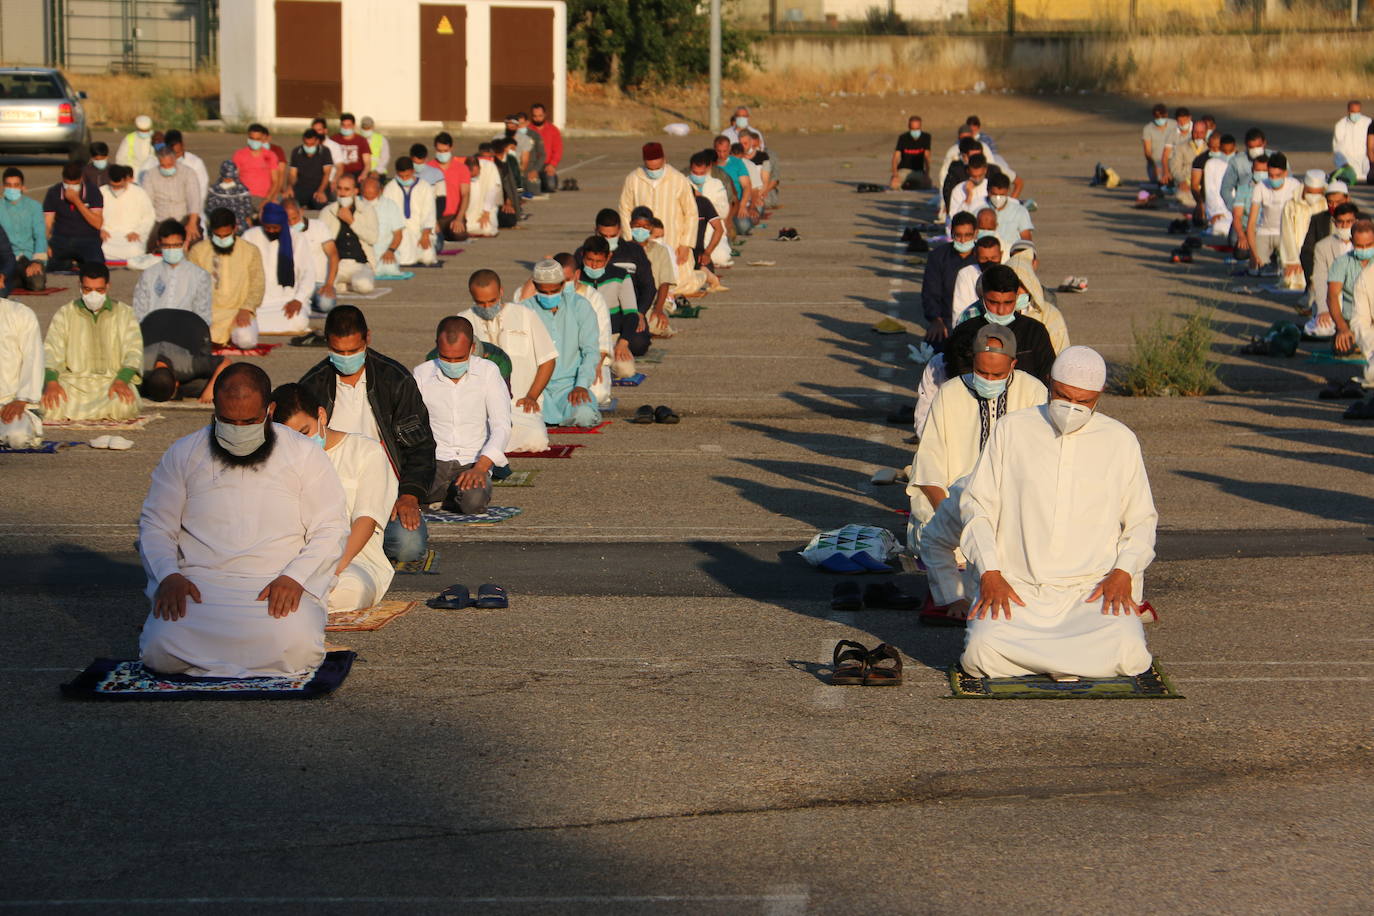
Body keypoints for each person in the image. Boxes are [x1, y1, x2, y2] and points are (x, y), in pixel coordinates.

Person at [137, 362, 349, 678]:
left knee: (296, 646)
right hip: (201, 585)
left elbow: (331, 526)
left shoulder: (303, 453)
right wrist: (168, 576)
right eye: (227, 421)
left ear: (269, 409)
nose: (237, 429)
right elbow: (156, 525)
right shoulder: (183, 453)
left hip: (278, 583)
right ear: (214, 409)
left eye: (248, 421)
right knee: (160, 648)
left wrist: (296, 577)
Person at [958, 346, 1157, 680]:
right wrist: (990, 573)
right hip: (1019, 589)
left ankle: (1042, 661)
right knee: (980, 653)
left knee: (1131, 653)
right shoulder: (1012, 429)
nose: (1071, 408)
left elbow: (1142, 520)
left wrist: (1123, 573)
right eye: (1063, 397)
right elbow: (977, 507)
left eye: (1083, 401)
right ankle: (1070, 662)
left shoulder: (1120, 441)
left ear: (1099, 396)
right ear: (1049, 384)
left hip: (1090, 591)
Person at [297, 306, 435, 563]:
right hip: (329, 493)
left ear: (367, 339)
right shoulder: (311, 385)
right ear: (327, 343)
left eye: (353, 351)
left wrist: (409, 495)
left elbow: (421, 447)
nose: (346, 358)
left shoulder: (395, 379)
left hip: (385, 491)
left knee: (408, 547)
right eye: (339, 352)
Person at [271, 382, 396, 615]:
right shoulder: (278, 457)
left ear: (321, 415)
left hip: (352, 561)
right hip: (291, 558)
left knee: (348, 591)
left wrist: (332, 570)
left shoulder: (366, 452)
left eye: (304, 432)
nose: (299, 443)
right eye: (289, 438)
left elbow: (366, 521)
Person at [909, 324, 1047, 533]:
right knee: (938, 537)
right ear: (973, 361)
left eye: (997, 374)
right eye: (982, 373)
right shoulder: (950, 393)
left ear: (1013, 365)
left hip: (1015, 506)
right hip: (954, 504)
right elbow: (929, 467)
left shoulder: (1033, 392)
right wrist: (948, 517)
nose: (989, 380)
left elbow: (1042, 464)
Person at [411, 315, 512, 515]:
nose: (452, 364)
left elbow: (501, 425)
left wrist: (481, 467)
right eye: (446, 357)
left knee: (473, 503)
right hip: (434, 460)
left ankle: (447, 496)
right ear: (436, 347)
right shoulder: (422, 374)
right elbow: (412, 424)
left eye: (459, 358)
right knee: (404, 493)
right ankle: (445, 495)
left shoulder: (489, 372)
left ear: (472, 348)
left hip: (473, 461)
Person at [458, 270, 557, 454]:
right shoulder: (463, 321)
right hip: (480, 407)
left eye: (492, 301)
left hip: (520, 403)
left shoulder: (526, 315)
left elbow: (548, 359)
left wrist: (532, 396)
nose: (487, 307)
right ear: (472, 296)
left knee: (536, 439)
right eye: (481, 303)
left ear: (501, 292)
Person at [41, 262, 142, 422]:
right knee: (50, 407)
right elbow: (51, 350)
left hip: (112, 381)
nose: (93, 294)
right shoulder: (65, 313)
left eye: (99, 290)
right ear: (80, 286)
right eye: (88, 289)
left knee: (123, 405)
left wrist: (122, 380)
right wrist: (52, 383)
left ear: (107, 287)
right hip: (74, 383)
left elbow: (134, 352)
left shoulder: (124, 313)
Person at [943, 264, 1056, 384]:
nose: (1001, 310)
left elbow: (1047, 377)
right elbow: (956, 380)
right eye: (993, 302)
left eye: (1008, 302)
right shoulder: (964, 332)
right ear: (982, 296)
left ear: (1017, 296)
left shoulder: (1034, 332)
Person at [520, 260, 601, 428]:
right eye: (544, 291)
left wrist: (581, 385)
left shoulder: (580, 306)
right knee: (518, 416)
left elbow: (591, 351)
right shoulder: (524, 310)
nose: (549, 296)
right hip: (535, 388)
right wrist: (530, 394)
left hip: (570, 387)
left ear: (563, 284)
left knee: (584, 416)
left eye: (554, 291)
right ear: (535, 285)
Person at [619, 142, 696, 290]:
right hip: (642, 241)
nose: (654, 171)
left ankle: (703, 274)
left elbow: (691, 213)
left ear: (664, 160)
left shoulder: (678, 179)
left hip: (673, 241)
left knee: (681, 285)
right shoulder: (634, 179)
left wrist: (686, 244)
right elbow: (624, 209)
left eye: (657, 168)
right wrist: (630, 240)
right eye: (650, 168)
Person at [189, 208, 264, 349]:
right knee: (194, 342)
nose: (222, 240)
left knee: (246, 340)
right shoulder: (198, 251)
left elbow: (257, 284)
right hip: (209, 313)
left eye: (226, 235)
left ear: (235, 228)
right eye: (218, 236)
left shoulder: (250, 251)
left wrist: (247, 309)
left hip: (239, 312)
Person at [577, 235, 648, 379]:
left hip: (612, 337)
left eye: (599, 261)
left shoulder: (621, 276)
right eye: (590, 260)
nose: (594, 266)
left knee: (625, 371)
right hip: (581, 338)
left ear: (608, 257)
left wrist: (623, 343)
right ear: (582, 256)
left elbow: (631, 314)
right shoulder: (575, 277)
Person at [243, 202, 315, 336]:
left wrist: (298, 299)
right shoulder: (250, 236)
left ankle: (257, 325)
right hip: (258, 302)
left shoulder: (297, 238)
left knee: (299, 321)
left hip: (287, 300)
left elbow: (308, 273)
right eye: (267, 227)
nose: (271, 231)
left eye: (275, 228)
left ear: (282, 224)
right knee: (240, 321)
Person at [139, 306, 230, 404]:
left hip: (193, 322)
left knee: (205, 385)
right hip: (154, 318)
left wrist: (210, 391)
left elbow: (225, 362)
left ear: (177, 382)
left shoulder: (187, 364)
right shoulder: (139, 363)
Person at [132, 220, 212, 324]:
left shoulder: (199, 275)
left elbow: (203, 314)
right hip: (155, 331)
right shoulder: (149, 274)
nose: (171, 249)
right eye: (167, 246)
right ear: (159, 244)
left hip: (185, 333)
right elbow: (139, 311)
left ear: (184, 243)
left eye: (176, 245)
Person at [921, 211, 978, 348]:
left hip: (978, 318)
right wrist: (936, 320)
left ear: (976, 233)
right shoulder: (938, 256)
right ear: (951, 233)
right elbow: (930, 292)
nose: (963, 240)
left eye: (968, 235)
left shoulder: (982, 256)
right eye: (958, 235)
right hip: (947, 319)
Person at [1306, 201, 1358, 337]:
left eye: (1349, 222)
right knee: (1322, 329)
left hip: (1361, 300)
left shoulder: (1365, 244)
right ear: (1334, 223)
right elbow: (1320, 278)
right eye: (1341, 222)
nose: (1345, 226)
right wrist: (1323, 309)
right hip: (1335, 299)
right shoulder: (1322, 246)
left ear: (1356, 221)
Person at [1329, 219, 1374, 374]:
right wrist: (1342, 328)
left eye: (1368, 245)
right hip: (1352, 321)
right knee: (1344, 346)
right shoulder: (1342, 263)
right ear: (1352, 243)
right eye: (1359, 246)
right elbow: (1332, 296)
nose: (1364, 250)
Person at [320, 173, 377, 294]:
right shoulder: (327, 211)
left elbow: (373, 238)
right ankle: (344, 284)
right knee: (322, 285)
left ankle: (348, 284)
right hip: (336, 264)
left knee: (364, 287)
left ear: (355, 191)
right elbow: (321, 240)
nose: (342, 193)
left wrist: (351, 221)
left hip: (360, 264)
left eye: (346, 189)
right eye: (339, 188)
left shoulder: (367, 210)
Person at [0, 295, 44, 448]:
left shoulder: (20, 314)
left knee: (17, 437)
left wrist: (21, 399)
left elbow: (33, 358)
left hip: (10, 402)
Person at [1246, 152, 1301, 274]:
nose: (1274, 179)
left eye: (1278, 175)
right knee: (1256, 271)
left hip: (1286, 234)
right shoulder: (1260, 186)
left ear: (1285, 173)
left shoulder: (1295, 186)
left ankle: (1278, 260)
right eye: (1270, 175)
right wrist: (1254, 254)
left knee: (1288, 272)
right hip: (1264, 232)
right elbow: (1251, 223)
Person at [43, 161, 104, 271]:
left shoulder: (93, 191)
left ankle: (81, 262)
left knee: (97, 267)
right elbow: (47, 223)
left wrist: (76, 201)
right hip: (61, 239)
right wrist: (44, 243)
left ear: (81, 179)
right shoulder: (54, 192)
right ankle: (68, 264)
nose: (70, 187)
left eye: (74, 184)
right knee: (44, 264)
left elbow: (97, 223)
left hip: (88, 239)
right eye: (67, 184)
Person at [283, 198, 337, 315]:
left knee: (326, 305)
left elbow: (333, 255)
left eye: (294, 218)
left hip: (318, 283)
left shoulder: (319, 226)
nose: (292, 223)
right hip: (294, 284)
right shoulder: (280, 232)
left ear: (301, 212)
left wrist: (329, 284)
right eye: (287, 220)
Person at [1278, 170, 1331, 289]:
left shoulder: (1327, 204)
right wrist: (1292, 260)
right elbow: (1287, 234)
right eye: (1310, 192)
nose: (1313, 196)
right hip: (1296, 253)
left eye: (1318, 193)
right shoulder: (1291, 205)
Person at [139, 146, 201, 245]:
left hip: (183, 218)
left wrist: (192, 223)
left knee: (195, 240)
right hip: (160, 219)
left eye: (169, 165)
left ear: (175, 160)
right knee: (149, 243)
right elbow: (147, 202)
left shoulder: (188, 173)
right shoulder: (150, 175)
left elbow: (194, 200)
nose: (167, 168)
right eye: (163, 165)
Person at [383, 157, 439, 263]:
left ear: (413, 171)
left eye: (407, 176)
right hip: (399, 233)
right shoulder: (390, 188)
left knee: (428, 258)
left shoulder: (424, 186)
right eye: (401, 176)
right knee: (405, 259)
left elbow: (429, 213)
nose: (404, 179)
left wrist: (425, 234)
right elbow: (387, 214)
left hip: (421, 232)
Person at [0, 167, 47, 293]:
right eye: (9, 185)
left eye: (16, 185)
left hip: (29, 258)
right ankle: (16, 278)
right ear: (3, 187)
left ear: (22, 187)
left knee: (37, 284)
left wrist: (37, 261)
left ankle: (18, 279)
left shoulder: (34, 206)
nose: (12, 188)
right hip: (6, 259)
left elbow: (40, 235)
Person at [98, 165, 157, 262]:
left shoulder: (139, 193)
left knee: (134, 251)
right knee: (100, 249)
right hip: (108, 236)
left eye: (119, 186)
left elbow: (149, 217)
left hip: (131, 236)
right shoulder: (102, 191)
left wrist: (138, 232)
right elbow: (94, 215)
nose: (116, 189)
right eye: (114, 186)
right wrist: (101, 230)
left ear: (126, 180)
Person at [360, 175, 405, 278]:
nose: (369, 199)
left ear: (380, 191)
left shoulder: (391, 206)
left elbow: (398, 234)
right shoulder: (356, 204)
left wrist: (391, 250)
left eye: (372, 196)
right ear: (361, 192)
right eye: (366, 196)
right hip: (362, 255)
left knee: (389, 269)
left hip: (385, 254)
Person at [429, 132, 471, 240]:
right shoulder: (428, 168)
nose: (442, 154)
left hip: (453, 215)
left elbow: (465, 194)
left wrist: (459, 218)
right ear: (435, 148)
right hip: (433, 216)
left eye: (445, 151)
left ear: (451, 148)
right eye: (439, 151)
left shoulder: (462, 169)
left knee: (459, 236)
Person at [231, 124, 283, 208]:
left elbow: (275, 181)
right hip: (244, 198)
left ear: (263, 138)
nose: (254, 142)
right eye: (252, 139)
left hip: (265, 197)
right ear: (248, 137)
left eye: (258, 139)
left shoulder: (271, 155)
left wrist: (268, 199)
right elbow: (234, 178)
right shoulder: (239, 155)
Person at [203, 161, 256, 234]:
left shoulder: (242, 190)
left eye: (231, 178)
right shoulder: (215, 190)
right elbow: (210, 208)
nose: (228, 180)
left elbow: (247, 209)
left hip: (239, 227)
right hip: (219, 226)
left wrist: (248, 220)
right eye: (226, 178)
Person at [288, 128, 334, 210]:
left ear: (317, 141)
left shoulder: (325, 151)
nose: (308, 146)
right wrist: (290, 187)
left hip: (319, 186)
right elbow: (292, 174)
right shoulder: (296, 151)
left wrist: (320, 191)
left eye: (311, 144)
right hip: (301, 187)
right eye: (306, 144)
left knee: (321, 206)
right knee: (288, 205)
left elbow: (327, 173)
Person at [464, 150, 502, 238]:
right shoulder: (461, 171)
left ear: (479, 168)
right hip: (469, 212)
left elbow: (492, 190)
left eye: (475, 175)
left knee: (487, 229)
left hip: (487, 210)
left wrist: (486, 213)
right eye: (471, 176)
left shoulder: (489, 167)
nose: (473, 178)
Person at [1333, 100, 1371, 184]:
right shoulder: (1341, 125)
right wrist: (1343, 163)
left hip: (1365, 158)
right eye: (1353, 112)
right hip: (1348, 160)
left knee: (1368, 174)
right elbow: (1338, 147)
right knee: (1352, 177)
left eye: (1358, 112)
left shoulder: (1368, 123)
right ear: (1348, 111)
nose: (1356, 115)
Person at [890, 116, 932, 190]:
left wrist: (927, 174)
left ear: (920, 127)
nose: (915, 132)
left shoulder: (926, 137)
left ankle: (913, 185)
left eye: (917, 129)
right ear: (909, 127)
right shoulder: (903, 138)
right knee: (894, 185)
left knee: (928, 185)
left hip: (919, 171)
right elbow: (895, 158)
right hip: (904, 170)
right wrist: (895, 175)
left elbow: (927, 157)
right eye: (913, 129)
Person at [529, 102, 562, 193]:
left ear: (545, 115)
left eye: (540, 116)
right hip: (531, 165)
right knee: (527, 189)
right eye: (535, 116)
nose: (538, 118)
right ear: (531, 116)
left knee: (550, 187)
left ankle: (545, 180)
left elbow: (558, 150)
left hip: (546, 166)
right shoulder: (527, 130)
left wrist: (552, 165)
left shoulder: (553, 130)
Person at [1141, 102, 1173, 185]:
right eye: (1157, 117)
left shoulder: (1174, 125)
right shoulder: (1148, 129)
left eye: (1162, 117)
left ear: (1166, 115)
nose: (1160, 119)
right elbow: (1147, 151)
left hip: (1172, 161)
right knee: (1158, 182)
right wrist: (1155, 165)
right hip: (1156, 162)